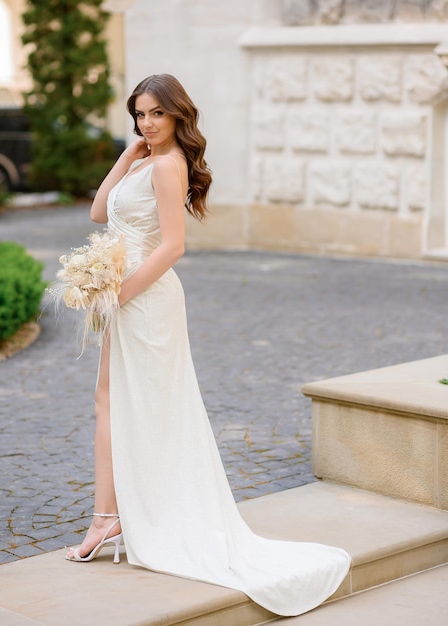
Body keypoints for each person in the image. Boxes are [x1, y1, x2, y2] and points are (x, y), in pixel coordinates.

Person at [65, 74, 351, 616]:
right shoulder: (145, 159)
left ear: (178, 116)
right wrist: (127, 155)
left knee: (149, 408)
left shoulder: (171, 166)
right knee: (107, 401)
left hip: (146, 301)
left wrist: (120, 293)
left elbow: (173, 245)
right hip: (124, 298)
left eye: (156, 115)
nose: (147, 124)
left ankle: (121, 515)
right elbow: (99, 212)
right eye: (140, 115)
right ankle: (109, 515)